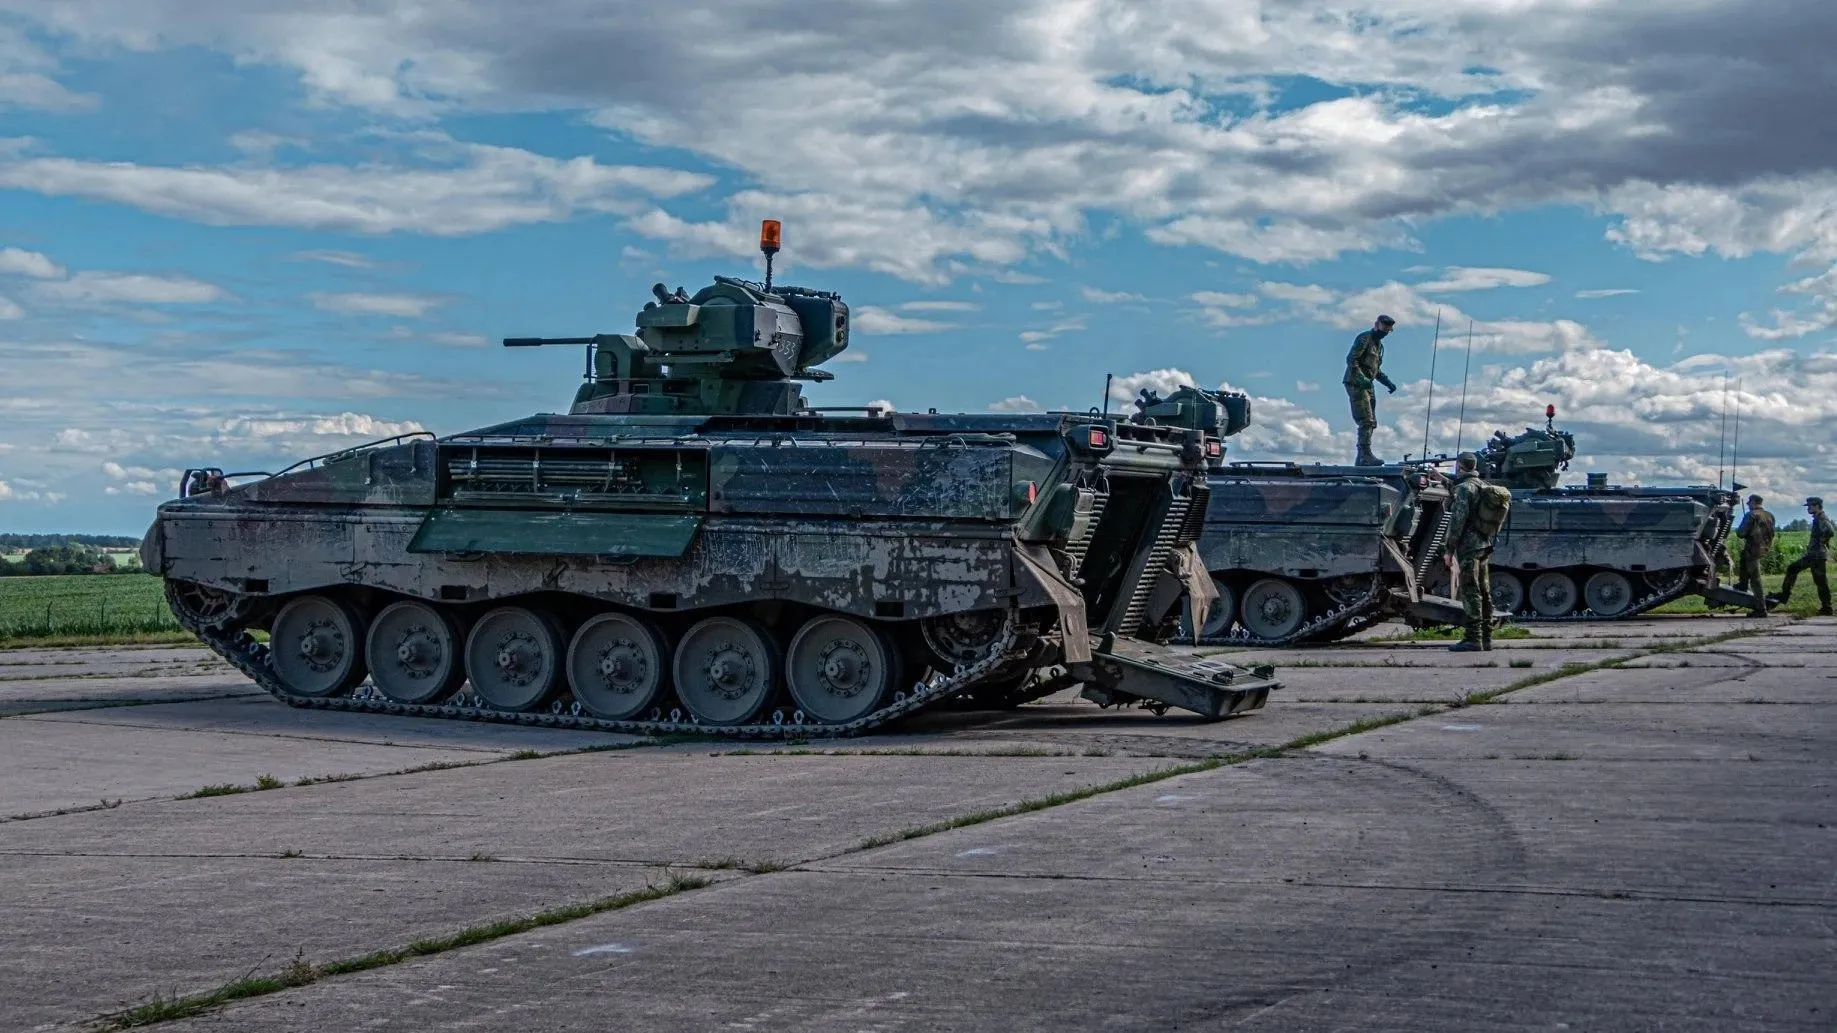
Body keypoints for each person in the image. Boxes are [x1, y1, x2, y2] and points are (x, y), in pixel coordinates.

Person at [1443, 451, 1498, 652]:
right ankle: (1486, 637)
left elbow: (1458, 521)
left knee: (1470, 590)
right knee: (1484, 591)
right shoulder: (1482, 485)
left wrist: (1449, 550)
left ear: (1459, 466)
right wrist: (1442, 479)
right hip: (1484, 544)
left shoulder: (1464, 489)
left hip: (1469, 547)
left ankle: (1473, 639)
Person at [1343, 315, 1397, 466]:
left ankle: (1362, 457)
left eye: (1388, 331)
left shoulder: (1378, 346)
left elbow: (1375, 370)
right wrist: (1361, 378)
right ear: (1377, 325)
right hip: (1356, 382)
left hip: (1368, 384)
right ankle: (1365, 455)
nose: (1385, 333)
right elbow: (1351, 359)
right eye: (1384, 328)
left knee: (1371, 421)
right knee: (1366, 420)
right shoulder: (1365, 338)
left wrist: (1388, 383)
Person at [1770, 496, 1833, 615]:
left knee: (1820, 581)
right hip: (1814, 555)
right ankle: (1784, 595)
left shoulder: (1821, 517)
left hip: (1817, 555)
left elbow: (1830, 531)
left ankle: (1827, 607)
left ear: (1817, 506)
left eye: (1810, 506)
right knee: (1793, 569)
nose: (1808, 508)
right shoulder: (1817, 517)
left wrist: (1822, 541)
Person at [1733, 494, 1775, 617]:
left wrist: (1740, 530)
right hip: (1764, 547)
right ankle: (1742, 584)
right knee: (1743, 559)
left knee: (1756, 580)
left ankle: (1761, 609)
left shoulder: (1750, 515)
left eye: (1749, 502)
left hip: (1753, 548)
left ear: (1753, 502)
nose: (1747, 504)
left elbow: (1741, 533)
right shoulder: (1769, 515)